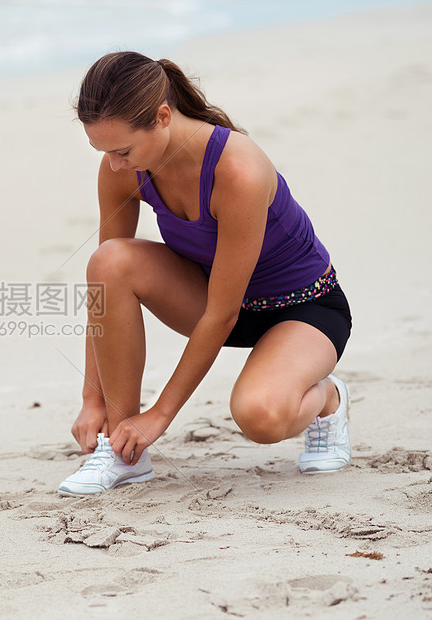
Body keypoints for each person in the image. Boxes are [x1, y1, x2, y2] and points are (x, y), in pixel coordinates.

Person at [58, 52, 352, 497]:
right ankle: (122, 453)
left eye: (122, 150)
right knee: (109, 261)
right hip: (210, 297)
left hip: (302, 308)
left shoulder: (238, 170)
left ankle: (328, 399)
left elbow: (222, 315)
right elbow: (103, 291)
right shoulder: (122, 169)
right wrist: (92, 400)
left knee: (261, 417)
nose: (115, 164)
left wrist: (159, 416)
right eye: (103, 152)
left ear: (161, 117)